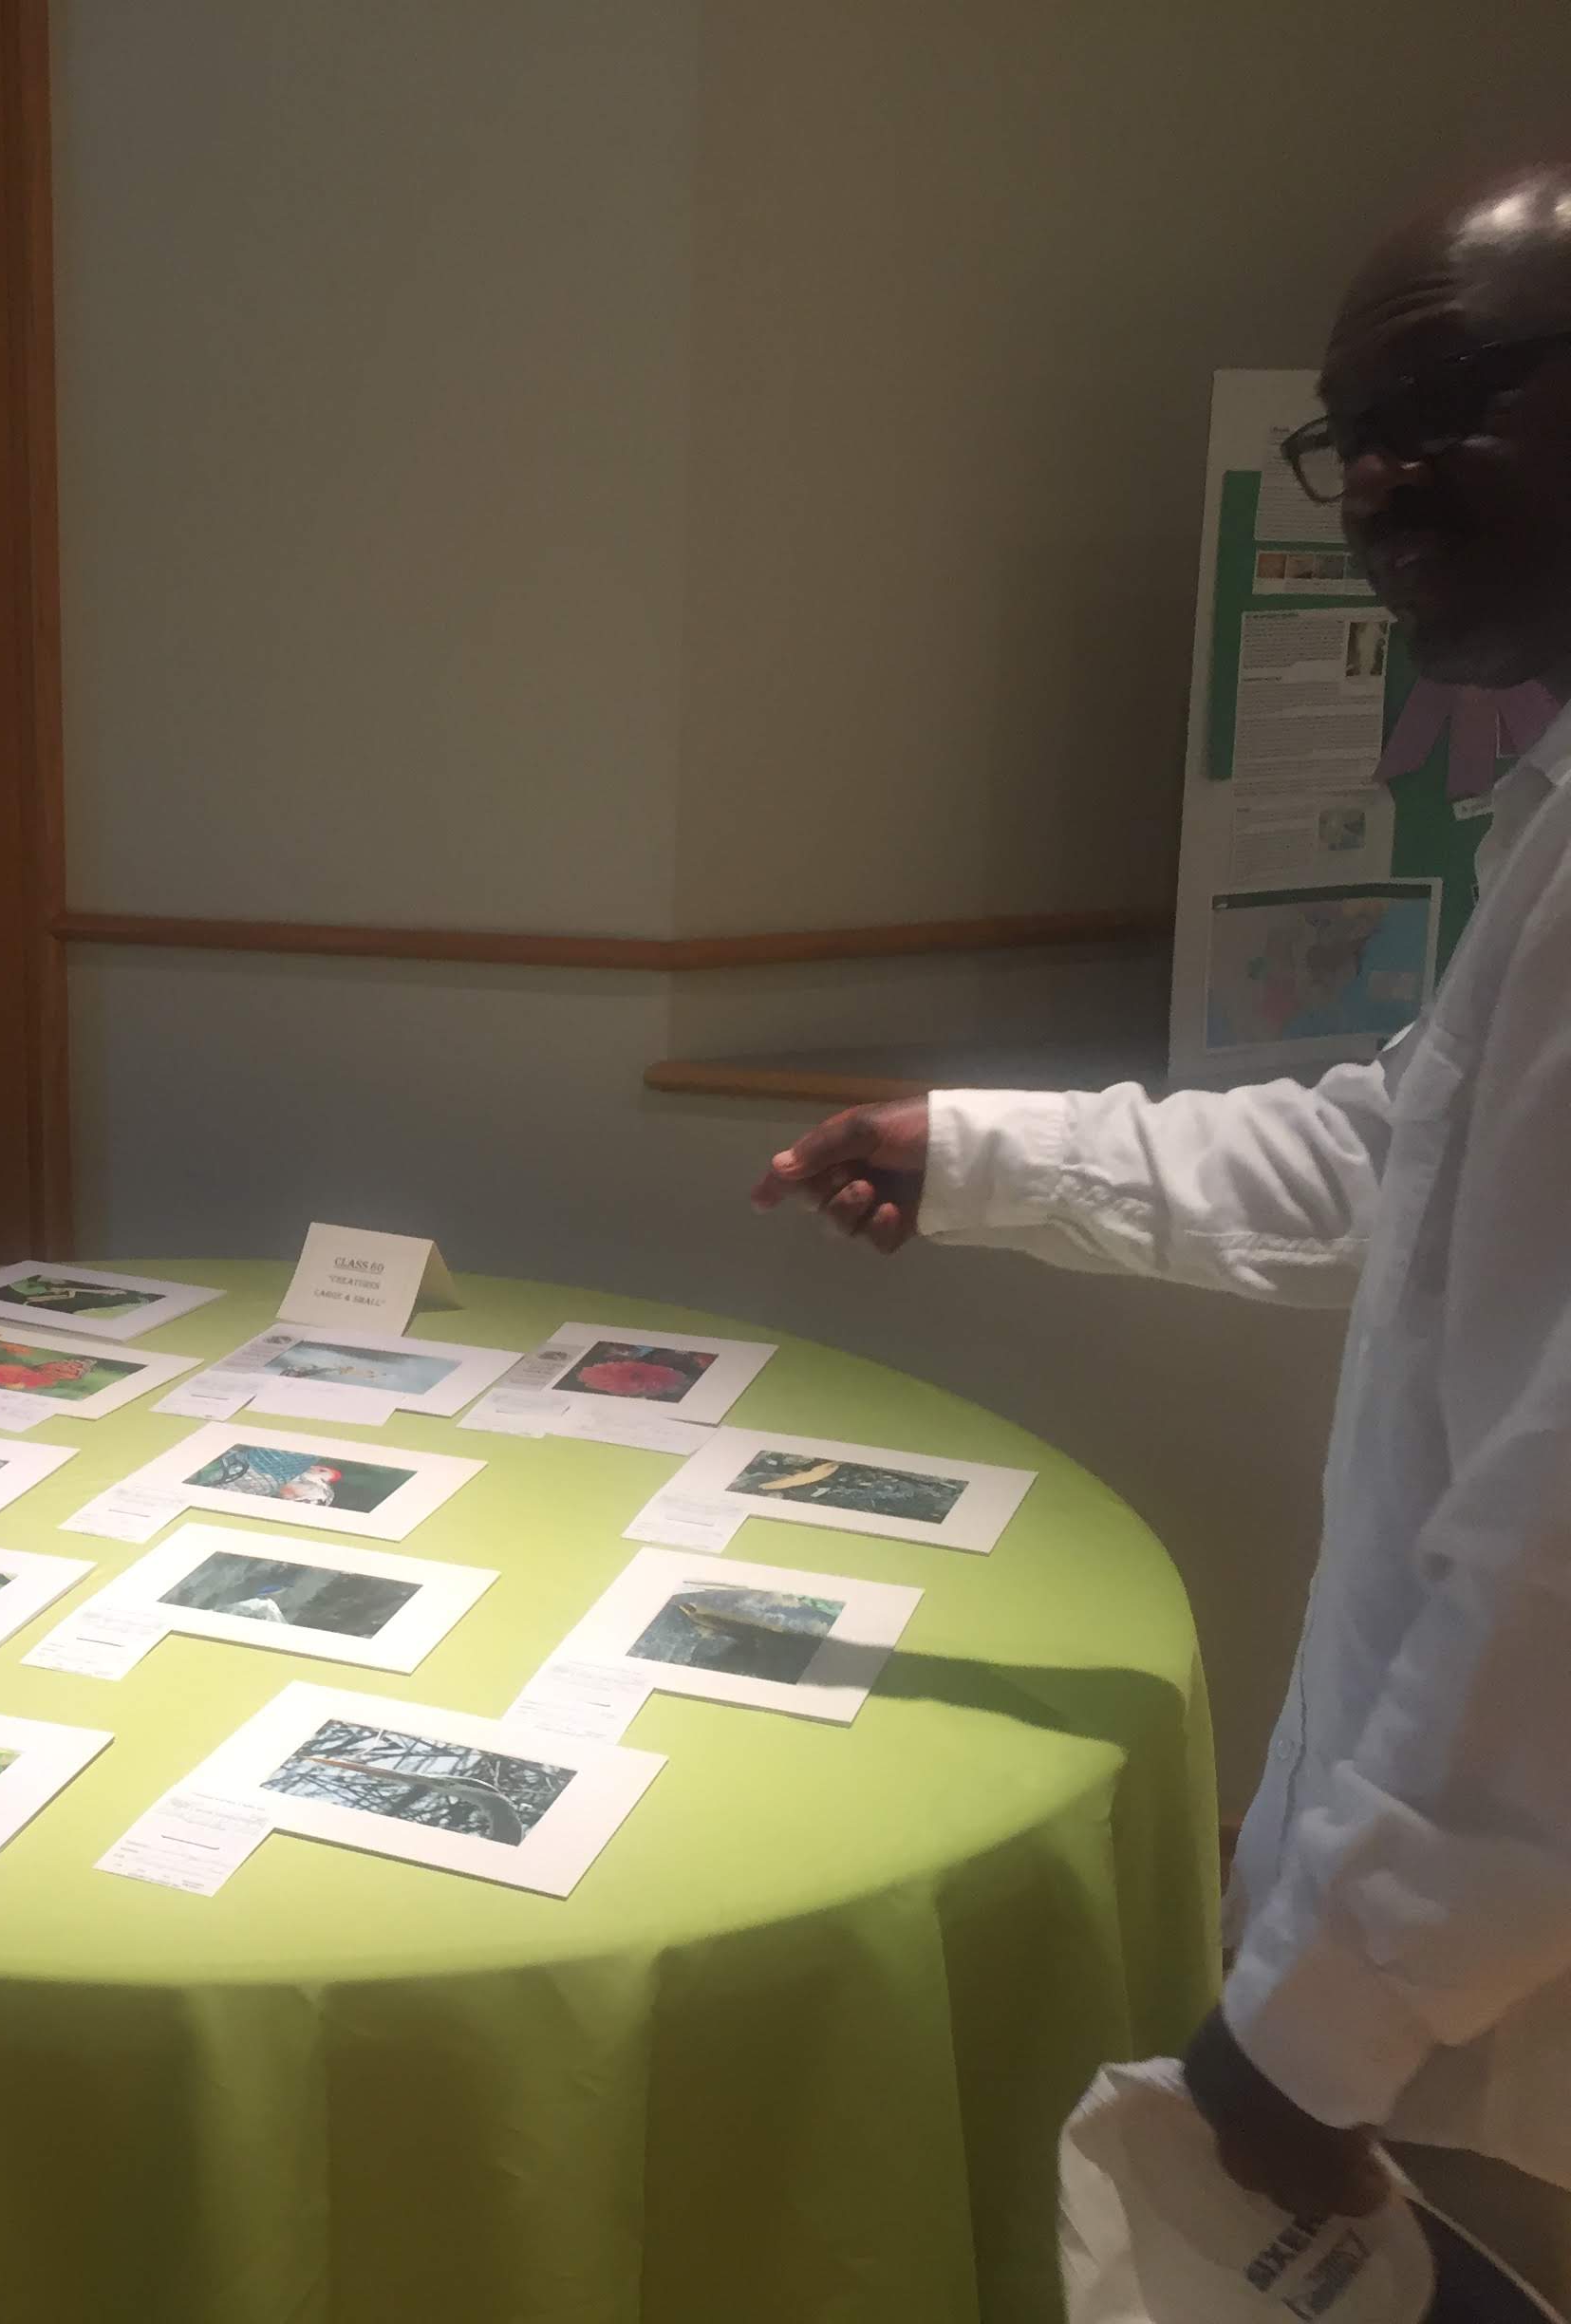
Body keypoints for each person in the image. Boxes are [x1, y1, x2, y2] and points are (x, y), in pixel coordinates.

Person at [751, 164, 1571, 2288]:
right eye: (1344, 434)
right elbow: (1405, 1161)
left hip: (1481, 1994)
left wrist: (1321, 2029)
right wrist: (986, 1154)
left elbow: (1560, 1554)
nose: (1374, 481)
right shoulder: (1555, 808)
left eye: (1443, 402)